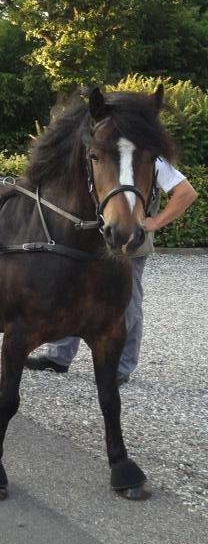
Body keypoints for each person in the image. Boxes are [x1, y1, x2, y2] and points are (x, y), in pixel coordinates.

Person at [26, 157, 197, 384]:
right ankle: (59, 357)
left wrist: (155, 222)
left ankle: (121, 366)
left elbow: (186, 192)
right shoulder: (104, 153)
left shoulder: (152, 159)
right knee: (71, 296)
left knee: (128, 303)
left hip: (129, 242)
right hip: (89, 240)